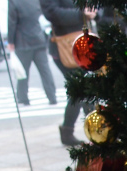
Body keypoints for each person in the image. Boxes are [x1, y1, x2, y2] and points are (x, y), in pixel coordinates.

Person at [39, 0, 96, 145]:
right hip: (65, 47)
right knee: (82, 88)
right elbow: (52, 13)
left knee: (81, 89)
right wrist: (82, 14)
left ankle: (69, 131)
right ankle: (95, 131)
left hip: (83, 41)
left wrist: (94, 11)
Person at [7, 0, 57, 107]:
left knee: (23, 71)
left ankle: (23, 98)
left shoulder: (13, 2)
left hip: (22, 42)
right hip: (38, 39)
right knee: (45, 70)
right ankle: (52, 96)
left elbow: (12, 22)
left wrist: (10, 41)